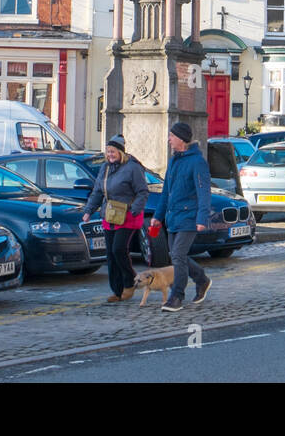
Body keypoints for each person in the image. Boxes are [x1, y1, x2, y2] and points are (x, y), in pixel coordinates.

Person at [82, 135, 149, 303]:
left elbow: (142, 191)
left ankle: (130, 280)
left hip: (128, 215)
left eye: (113, 151)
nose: (110, 155)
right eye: (108, 152)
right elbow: (97, 191)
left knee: (119, 249)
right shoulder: (105, 168)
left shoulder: (133, 168)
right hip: (110, 214)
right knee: (111, 254)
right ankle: (117, 291)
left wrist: (135, 209)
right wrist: (88, 211)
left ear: (120, 152)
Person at [153, 122, 211, 312]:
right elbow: (166, 192)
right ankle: (202, 279)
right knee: (177, 256)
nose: (169, 139)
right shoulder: (173, 160)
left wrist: (202, 218)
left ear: (181, 139)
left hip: (190, 217)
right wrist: (157, 216)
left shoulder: (197, 162)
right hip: (173, 217)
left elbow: (204, 191)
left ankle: (177, 296)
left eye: (171, 136)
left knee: (177, 255)